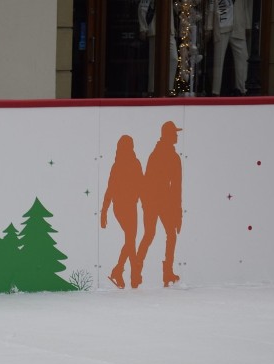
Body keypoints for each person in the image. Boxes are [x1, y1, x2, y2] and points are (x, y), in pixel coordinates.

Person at [136, 121, 183, 287]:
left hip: (152, 201)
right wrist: (177, 211)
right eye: (175, 133)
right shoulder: (170, 156)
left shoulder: (155, 153)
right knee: (168, 234)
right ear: (168, 135)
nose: (177, 135)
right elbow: (176, 186)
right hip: (160, 201)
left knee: (151, 234)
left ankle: (137, 270)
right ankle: (166, 272)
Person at [101, 135, 143, 289]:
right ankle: (133, 275)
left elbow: (141, 185)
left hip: (130, 206)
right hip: (120, 207)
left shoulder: (134, 163)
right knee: (131, 239)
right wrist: (104, 211)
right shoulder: (118, 165)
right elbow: (110, 189)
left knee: (130, 240)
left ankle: (119, 271)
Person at [206, 0, 253, 96]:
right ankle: (215, 91)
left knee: (243, 57)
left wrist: (248, 25)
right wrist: (209, 26)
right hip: (222, 27)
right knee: (218, 60)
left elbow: (245, 8)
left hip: (238, 27)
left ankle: (242, 89)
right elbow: (211, 8)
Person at [137, 0, 177, 94]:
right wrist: (143, 27)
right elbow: (143, 6)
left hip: (169, 30)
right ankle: (152, 90)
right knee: (154, 63)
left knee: (173, 58)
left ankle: (169, 88)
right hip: (155, 28)